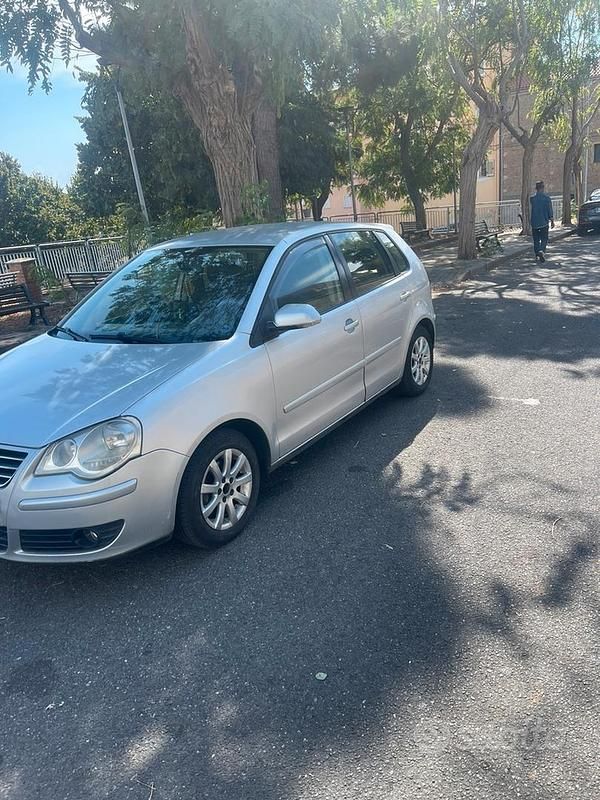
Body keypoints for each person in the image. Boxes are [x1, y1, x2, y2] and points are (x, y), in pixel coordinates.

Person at [530, 181, 554, 262]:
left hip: (534, 222)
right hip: (544, 222)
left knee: (536, 239)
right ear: (543, 188)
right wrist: (552, 220)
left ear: (536, 189)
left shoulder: (532, 199)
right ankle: (542, 251)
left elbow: (530, 210)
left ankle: (537, 254)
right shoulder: (547, 199)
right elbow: (549, 210)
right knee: (544, 239)